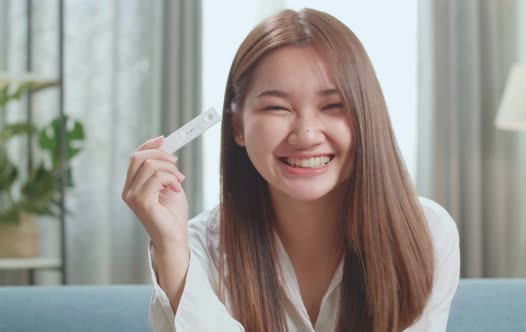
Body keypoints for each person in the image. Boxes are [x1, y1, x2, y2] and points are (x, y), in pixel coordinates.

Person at [122, 8, 460, 332]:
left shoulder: (426, 234)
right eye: (277, 107)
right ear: (238, 126)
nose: (306, 134)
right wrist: (171, 245)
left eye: (332, 106)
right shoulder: (197, 247)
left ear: (365, 118)